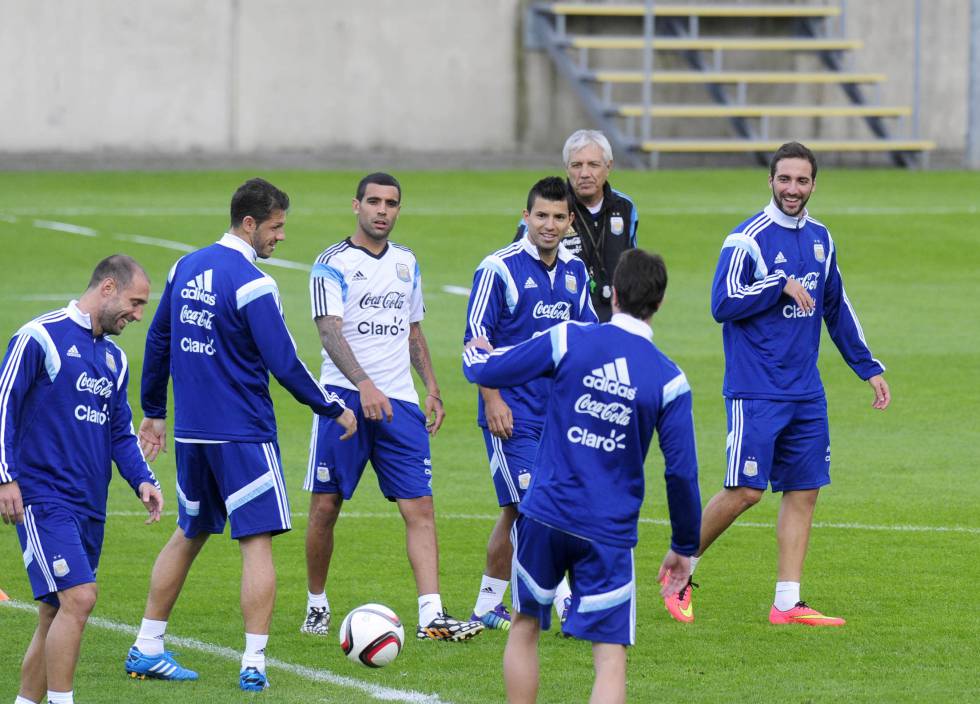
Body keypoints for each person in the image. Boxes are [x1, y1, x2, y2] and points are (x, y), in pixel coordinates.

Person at [124, 178, 355, 691]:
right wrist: (330, 406)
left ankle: (146, 644)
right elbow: (284, 361)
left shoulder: (184, 267)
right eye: (276, 227)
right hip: (244, 436)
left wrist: (155, 411)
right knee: (256, 543)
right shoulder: (254, 283)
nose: (281, 237)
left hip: (193, 436)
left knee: (189, 532)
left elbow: (159, 336)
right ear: (249, 224)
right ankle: (254, 663)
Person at [662, 141, 891, 626]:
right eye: (784, 179)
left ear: (813, 185)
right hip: (756, 387)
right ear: (770, 180)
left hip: (805, 390)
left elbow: (836, 307)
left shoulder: (822, 239)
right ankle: (679, 570)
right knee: (745, 491)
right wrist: (777, 284)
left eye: (802, 181)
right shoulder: (746, 238)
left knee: (804, 490)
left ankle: (787, 603)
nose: (793, 189)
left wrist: (867, 366)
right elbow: (721, 302)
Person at [462, 248, 701, 704]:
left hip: (546, 514)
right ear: (660, 302)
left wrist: (475, 355)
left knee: (525, 625)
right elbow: (682, 473)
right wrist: (684, 547)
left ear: (611, 294)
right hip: (608, 532)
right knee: (609, 656)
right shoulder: (670, 380)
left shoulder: (569, 338)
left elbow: (488, 367)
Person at [301, 172, 482, 642]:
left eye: (392, 203)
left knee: (420, 506)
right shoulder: (331, 263)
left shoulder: (407, 262)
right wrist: (363, 385)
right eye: (375, 201)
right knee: (325, 506)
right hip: (343, 399)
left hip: (399, 403)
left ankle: (431, 617)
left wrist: (433, 388)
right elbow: (328, 331)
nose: (383, 210)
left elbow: (412, 330)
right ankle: (317, 604)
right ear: (356, 205)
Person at [0, 255, 163, 704]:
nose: (137, 314)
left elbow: (119, 431)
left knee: (54, 611)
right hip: (42, 497)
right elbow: (3, 407)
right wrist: (5, 478)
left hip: (89, 505)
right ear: (107, 288)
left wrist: (142, 480)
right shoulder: (40, 337)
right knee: (81, 598)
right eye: (134, 302)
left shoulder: (114, 359)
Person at [464, 176, 597, 631]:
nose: (549, 225)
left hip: (557, 416)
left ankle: (486, 606)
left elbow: (588, 340)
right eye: (541, 215)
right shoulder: (497, 269)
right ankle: (561, 605)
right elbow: (474, 345)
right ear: (526, 217)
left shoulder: (577, 272)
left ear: (570, 221)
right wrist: (493, 397)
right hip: (511, 415)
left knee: (516, 509)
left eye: (559, 217)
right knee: (536, 507)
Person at [514, 130, 638, 322]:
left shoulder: (625, 208)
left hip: (614, 320)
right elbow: (517, 265)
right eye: (577, 165)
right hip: (562, 320)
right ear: (566, 168)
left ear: (609, 166)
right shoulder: (546, 208)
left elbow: (631, 266)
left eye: (594, 165)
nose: (585, 173)